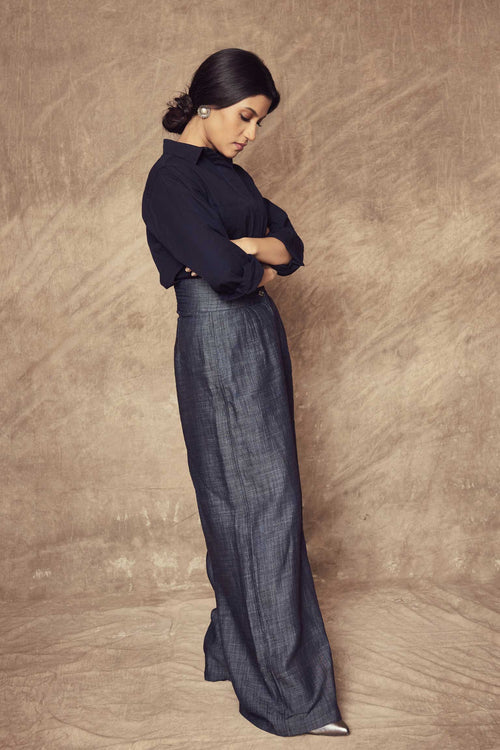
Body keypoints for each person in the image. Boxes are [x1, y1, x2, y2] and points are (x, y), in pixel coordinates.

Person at [141, 48, 349, 738]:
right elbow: (232, 273)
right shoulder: (168, 182)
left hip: (260, 338)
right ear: (208, 103)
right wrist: (250, 254)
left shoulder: (232, 178)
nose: (250, 133)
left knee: (264, 496)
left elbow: (291, 245)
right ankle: (289, 699)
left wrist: (249, 246)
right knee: (257, 508)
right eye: (245, 116)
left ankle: (229, 647)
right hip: (218, 340)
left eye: (258, 121)